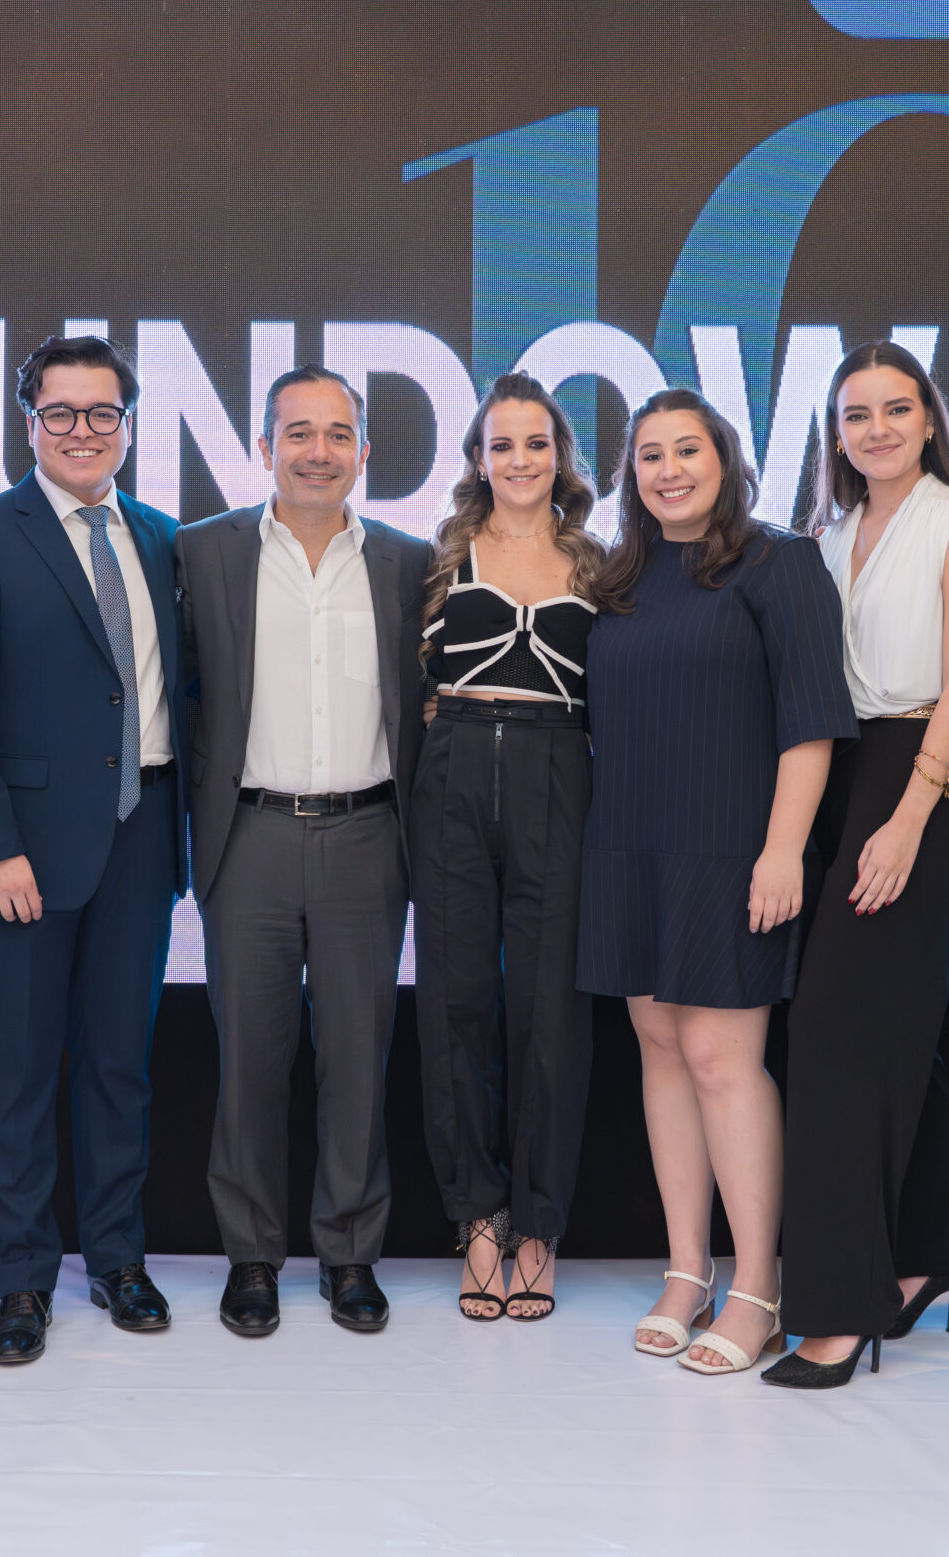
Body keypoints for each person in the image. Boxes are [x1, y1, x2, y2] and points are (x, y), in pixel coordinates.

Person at [0, 335, 189, 1367]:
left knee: (120, 1065)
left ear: (128, 424)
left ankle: (118, 1259)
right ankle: (23, 1279)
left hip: (142, 836)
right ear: (29, 423)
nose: (83, 431)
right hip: (20, 852)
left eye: (102, 412)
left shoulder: (161, 537)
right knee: (19, 1069)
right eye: (61, 413)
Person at [580, 390, 857, 1376]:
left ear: (726, 459)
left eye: (687, 450)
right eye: (650, 455)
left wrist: (783, 850)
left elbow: (810, 721)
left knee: (718, 1057)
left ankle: (756, 1287)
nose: (669, 470)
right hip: (628, 846)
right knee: (660, 1048)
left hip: (734, 848)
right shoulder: (619, 576)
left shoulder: (779, 563)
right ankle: (686, 1270)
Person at [177, 366, 432, 1337]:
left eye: (335, 435)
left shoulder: (410, 563)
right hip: (249, 836)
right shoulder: (203, 551)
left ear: (364, 452)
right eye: (297, 433)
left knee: (358, 1057)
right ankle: (251, 1256)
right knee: (248, 1056)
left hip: (369, 837)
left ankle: (349, 1254)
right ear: (264, 447)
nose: (316, 452)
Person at [765, 343, 949, 1390]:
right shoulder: (825, 535)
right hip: (835, 776)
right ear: (836, 432)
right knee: (893, 1036)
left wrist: (910, 815)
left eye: (895, 409)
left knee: (833, 1044)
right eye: (855, 414)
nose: (876, 429)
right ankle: (923, 1252)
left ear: (929, 418)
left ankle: (837, 1310)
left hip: (919, 783)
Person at [411, 372, 606, 1323]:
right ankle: (478, 1221)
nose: (520, 459)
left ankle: (539, 1226)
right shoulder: (443, 558)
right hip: (453, 767)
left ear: (561, 457)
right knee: (455, 1002)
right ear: (478, 459)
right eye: (502, 444)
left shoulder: (601, 565)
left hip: (557, 770)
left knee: (550, 1010)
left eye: (537, 442)